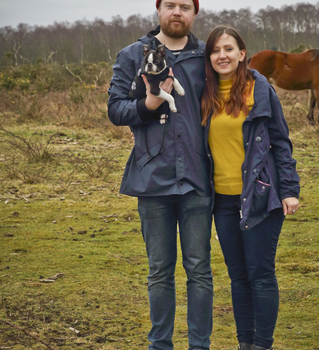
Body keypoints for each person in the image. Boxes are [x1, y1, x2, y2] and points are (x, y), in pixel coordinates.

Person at [107, 1, 213, 350]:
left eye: (185, 6)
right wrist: (149, 106)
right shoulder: (132, 54)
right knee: (159, 272)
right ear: (159, 9)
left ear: (194, 12)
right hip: (152, 178)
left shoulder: (206, 57)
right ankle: (160, 346)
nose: (177, 12)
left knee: (199, 271)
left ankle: (200, 346)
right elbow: (115, 109)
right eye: (171, 5)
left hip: (197, 177)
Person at [201, 26, 301, 350]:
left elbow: (281, 142)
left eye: (229, 49)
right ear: (210, 57)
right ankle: (245, 344)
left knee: (260, 273)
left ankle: (263, 345)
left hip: (260, 194)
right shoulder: (205, 93)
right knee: (238, 277)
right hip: (223, 202)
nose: (222, 55)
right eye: (216, 50)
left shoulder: (260, 89)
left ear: (242, 53)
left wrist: (289, 189)